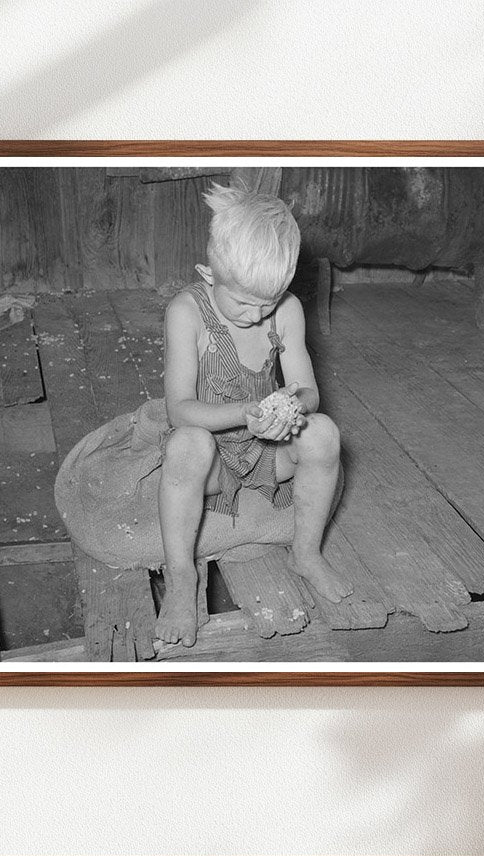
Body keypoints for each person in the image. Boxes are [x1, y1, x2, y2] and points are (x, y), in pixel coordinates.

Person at [155, 182, 352, 647]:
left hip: (267, 451)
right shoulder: (187, 312)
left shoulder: (285, 310)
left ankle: (305, 552)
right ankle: (182, 574)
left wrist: (292, 408)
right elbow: (179, 409)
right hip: (213, 458)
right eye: (243, 302)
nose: (257, 314)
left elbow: (309, 391)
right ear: (208, 275)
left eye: (269, 301)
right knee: (186, 444)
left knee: (323, 434)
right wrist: (246, 412)